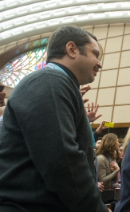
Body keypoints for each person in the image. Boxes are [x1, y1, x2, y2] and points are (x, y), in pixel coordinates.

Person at [0, 26, 109, 211]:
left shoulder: (56, 83)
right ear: (72, 49)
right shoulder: (50, 81)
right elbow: (63, 163)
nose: (99, 63)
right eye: (95, 54)